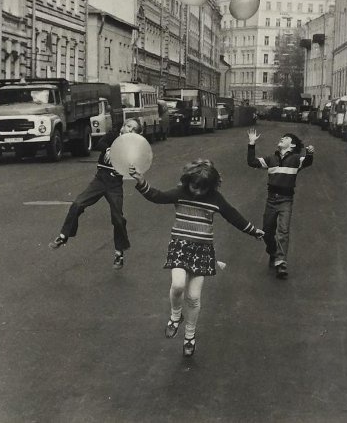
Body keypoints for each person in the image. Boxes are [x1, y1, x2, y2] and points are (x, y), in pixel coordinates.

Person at [128, 160, 264, 357]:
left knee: (193, 297)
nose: (198, 191)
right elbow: (157, 196)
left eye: (203, 188)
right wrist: (141, 182)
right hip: (180, 246)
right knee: (178, 285)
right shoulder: (180, 193)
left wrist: (253, 231)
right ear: (187, 181)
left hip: (203, 250)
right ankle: (175, 317)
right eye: (194, 186)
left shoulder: (215, 198)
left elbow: (233, 215)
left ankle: (189, 336)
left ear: (210, 186)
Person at [48, 118, 142, 269]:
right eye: (129, 126)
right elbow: (99, 144)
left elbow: (135, 165)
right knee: (78, 204)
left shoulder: (134, 146)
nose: (130, 130)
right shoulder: (113, 136)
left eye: (134, 130)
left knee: (118, 218)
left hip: (115, 184)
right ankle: (63, 236)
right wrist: (110, 149)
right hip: (100, 179)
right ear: (123, 126)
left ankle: (119, 253)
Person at [246, 128, 314, 279]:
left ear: (293, 145)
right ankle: (273, 251)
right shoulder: (271, 159)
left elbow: (307, 161)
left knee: (283, 231)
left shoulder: (296, 159)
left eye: (286, 138)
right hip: (271, 200)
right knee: (267, 232)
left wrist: (310, 153)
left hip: (286, 201)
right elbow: (252, 162)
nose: (282, 138)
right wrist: (251, 143)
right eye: (282, 137)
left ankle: (281, 263)